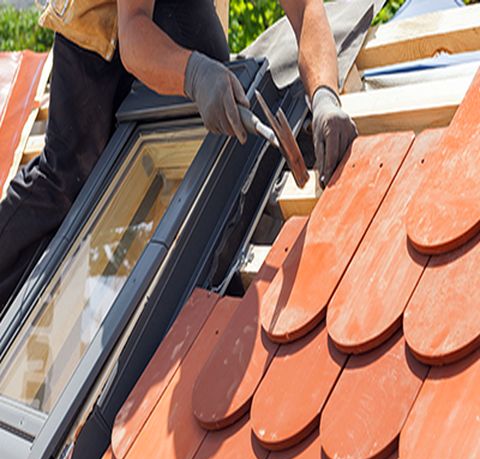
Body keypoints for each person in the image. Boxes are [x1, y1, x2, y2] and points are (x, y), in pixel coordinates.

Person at [0, 0, 356, 313]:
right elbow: (135, 32)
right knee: (68, 174)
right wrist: (194, 75)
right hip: (97, 24)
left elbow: (306, 8)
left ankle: (200, 270)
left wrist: (325, 95)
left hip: (176, 8)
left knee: (212, 103)